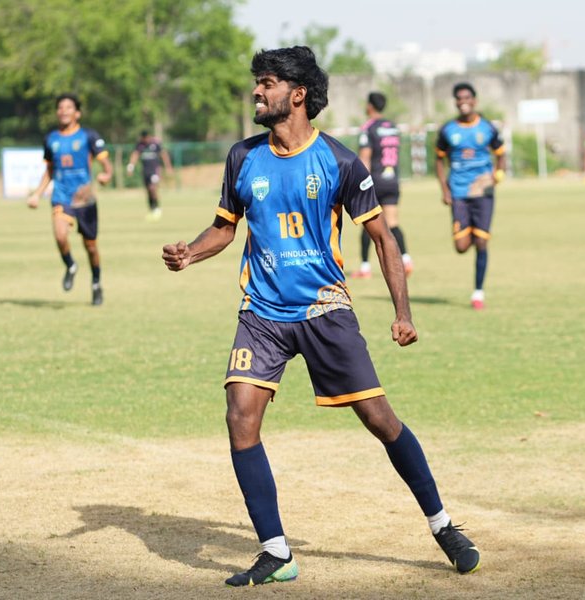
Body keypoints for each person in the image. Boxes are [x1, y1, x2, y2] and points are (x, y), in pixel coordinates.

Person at [162, 46, 480, 587]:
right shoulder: (242, 157)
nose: (257, 92)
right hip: (262, 311)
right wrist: (190, 253)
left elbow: (382, 238)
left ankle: (443, 524)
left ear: (298, 94)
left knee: (380, 420)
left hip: (324, 309)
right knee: (240, 416)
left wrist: (402, 313)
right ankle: (276, 552)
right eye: (258, 82)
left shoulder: (339, 161)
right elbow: (224, 227)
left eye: (267, 83)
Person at [28, 93, 112, 306]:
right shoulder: (51, 139)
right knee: (60, 235)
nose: (63, 111)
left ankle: (96, 283)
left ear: (77, 113)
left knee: (91, 247)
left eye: (68, 107)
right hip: (61, 196)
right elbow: (50, 170)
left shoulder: (88, 136)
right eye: (60, 107)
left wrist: (106, 175)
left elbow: (106, 164)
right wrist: (37, 193)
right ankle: (70, 265)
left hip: (84, 198)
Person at [435, 82, 506, 310]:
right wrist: (444, 189)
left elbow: (501, 153)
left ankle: (478, 293)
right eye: (459, 98)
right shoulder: (448, 130)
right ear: (456, 102)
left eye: (467, 98)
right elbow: (439, 159)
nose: (463, 102)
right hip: (459, 192)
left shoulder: (487, 127)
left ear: (474, 100)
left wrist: (498, 174)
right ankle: (474, 232)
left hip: (483, 190)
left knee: (482, 242)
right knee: (462, 246)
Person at [351, 92, 412, 279]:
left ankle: (365, 267)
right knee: (392, 223)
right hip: (392, 181)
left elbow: (365, 159)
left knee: (368, 223)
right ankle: (406, 259)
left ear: (370, 106)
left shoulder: (368, 128)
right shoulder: (392, 127)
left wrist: (359, 184)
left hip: (375, 181)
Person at [126, 130, 173, 220]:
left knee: (153, 188)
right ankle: (152, 208)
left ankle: (157, 207)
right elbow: (135, 155)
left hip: (155, 171)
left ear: (148, 136)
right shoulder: (140, 145)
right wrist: (130, 167)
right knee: (148, 190)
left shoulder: (155, 144)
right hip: (145, 171)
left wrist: (168, 167)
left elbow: (163, 155)